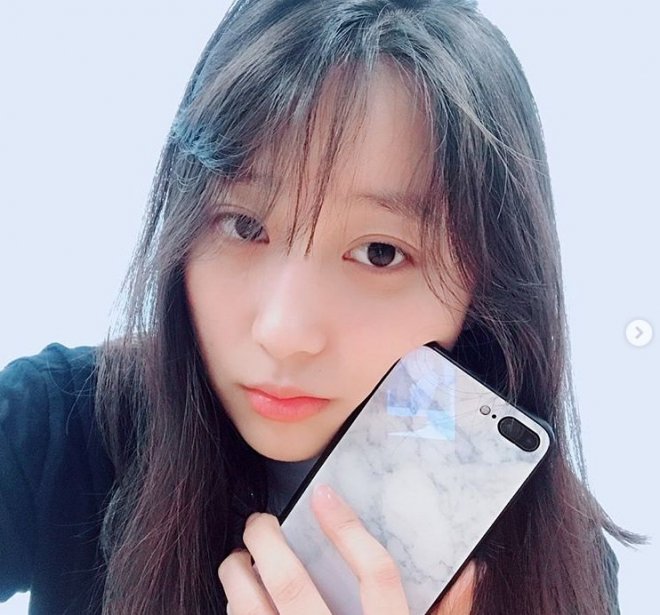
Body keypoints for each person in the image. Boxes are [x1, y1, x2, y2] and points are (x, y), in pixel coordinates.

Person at [0, 0, 637, 613]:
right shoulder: (57, 425)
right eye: (244, 226)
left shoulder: (556, 560)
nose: (282, 332)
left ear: (486, 286)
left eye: (381, 252)